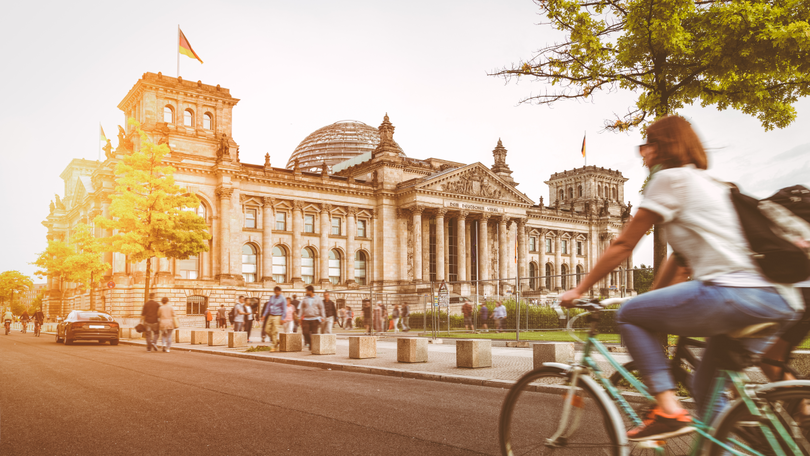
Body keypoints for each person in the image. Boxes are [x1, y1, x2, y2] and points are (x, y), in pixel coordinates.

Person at [559, 115, 799, 442]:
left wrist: (579, 289)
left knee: (629, 314)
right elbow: (683, 258)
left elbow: (624, 243)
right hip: (777, 299)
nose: (642, 153)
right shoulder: (714, 186)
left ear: (663, 147)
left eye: (647, 144)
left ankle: (668, 409)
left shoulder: (669, 179)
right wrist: (658, 296)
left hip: (730, 293)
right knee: (705, 387)